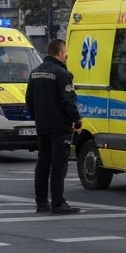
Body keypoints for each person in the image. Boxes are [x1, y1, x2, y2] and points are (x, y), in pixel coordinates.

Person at [26, 39, 82, 215]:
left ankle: (41, 202)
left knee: (43, 163)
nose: (67, 54)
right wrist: (77, 121)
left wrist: (37, 118)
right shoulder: (62, 74)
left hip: (42, 125)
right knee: (59, 165)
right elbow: (68, 101)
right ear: (60, 52)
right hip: (59, 127)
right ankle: (58, 203)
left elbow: (29, 99)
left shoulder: (35, 73)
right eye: (65, 51)